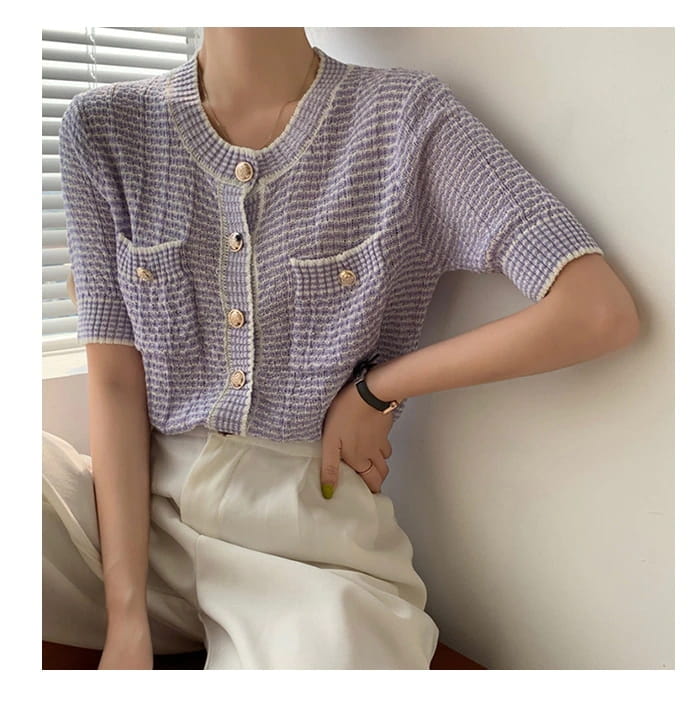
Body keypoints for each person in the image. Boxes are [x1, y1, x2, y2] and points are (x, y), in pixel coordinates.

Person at [43, 27, 640, 670]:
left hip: (306, 541)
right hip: (138, 523)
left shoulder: (405, 121)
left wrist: (379, 388)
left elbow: (596, 311)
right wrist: (125, 618)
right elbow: (115, 382)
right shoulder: (105, 127)